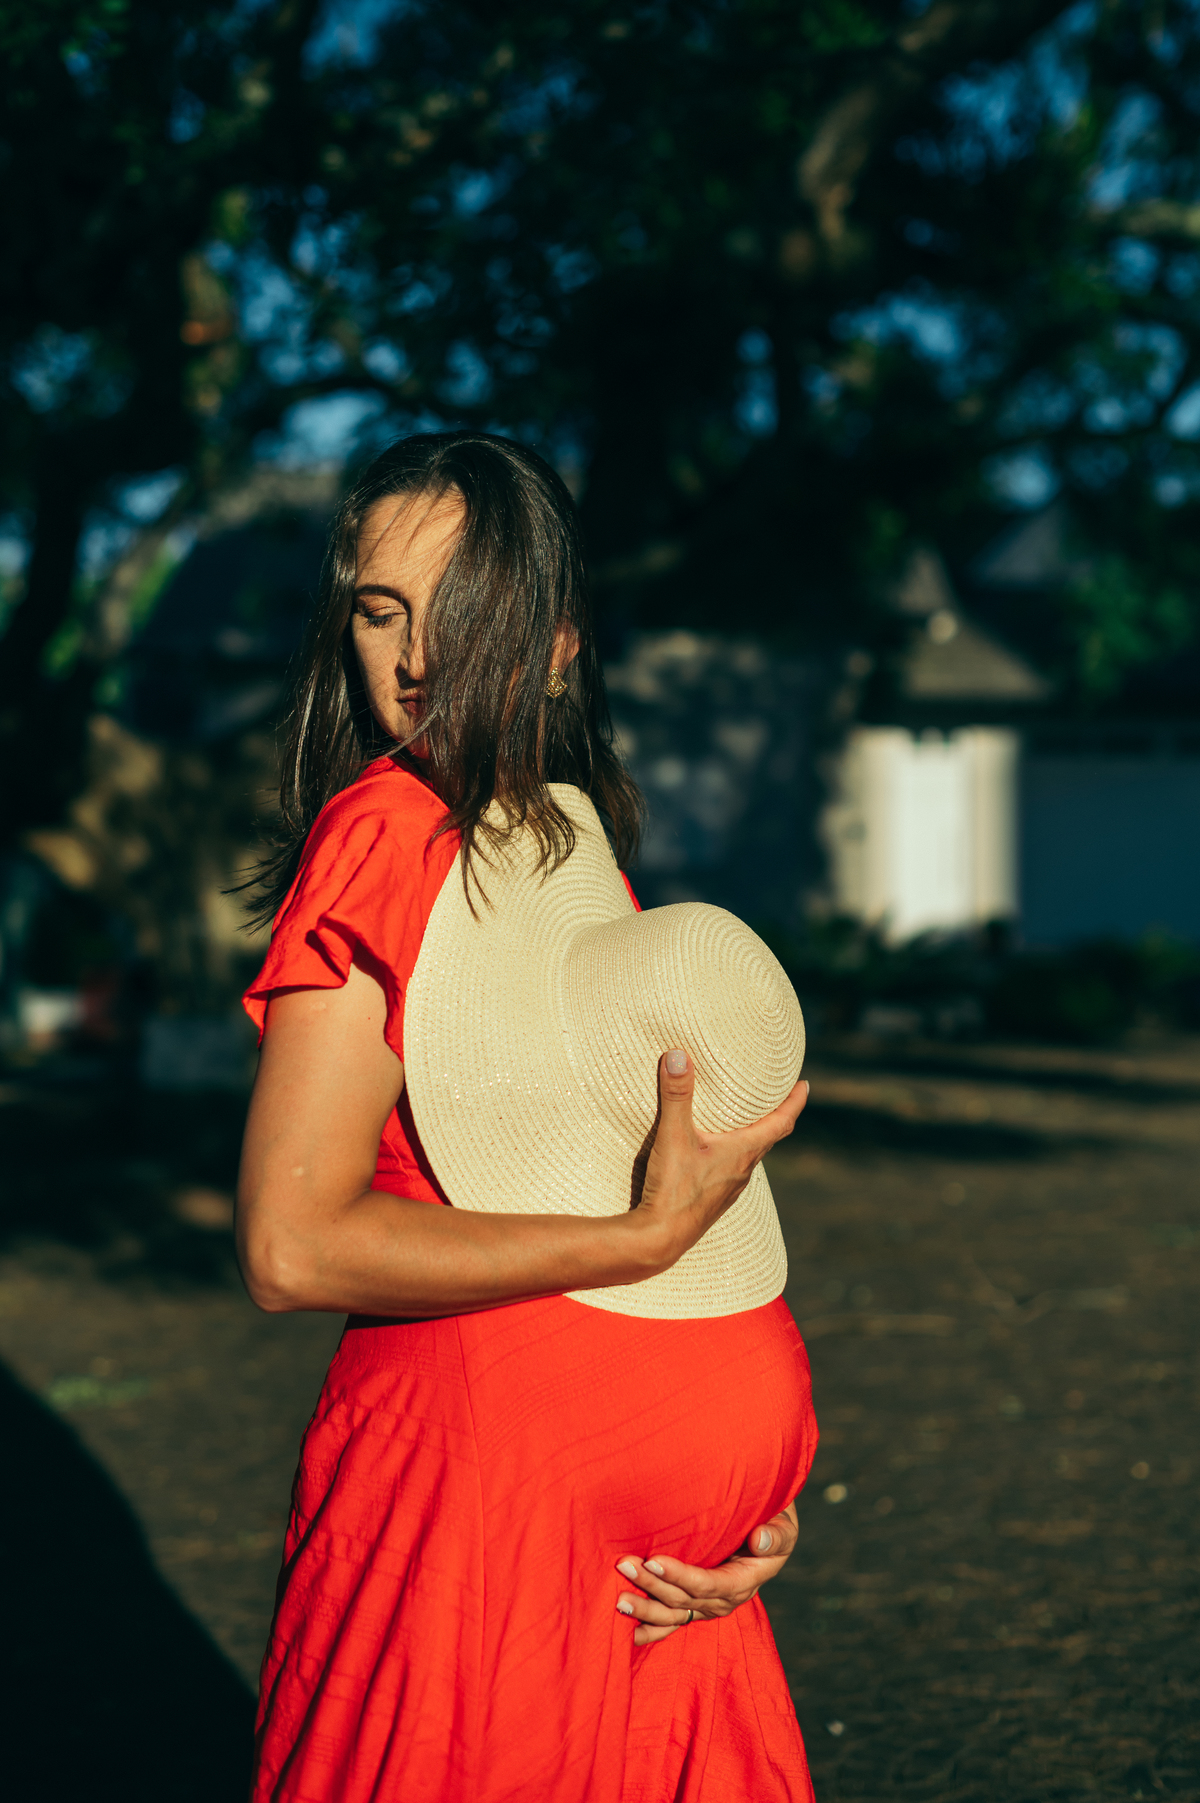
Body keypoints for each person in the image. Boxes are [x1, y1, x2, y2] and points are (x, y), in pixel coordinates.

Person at [236, 430, 817, 1803]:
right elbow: (293, 1248)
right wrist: (640, 1244)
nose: (415, 654)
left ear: (557, 644)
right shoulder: (387, 830)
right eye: (380, 608)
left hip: (659, 1577)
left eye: (462, 609)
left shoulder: (554, 844)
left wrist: (744, 1500)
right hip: (477, 1522)